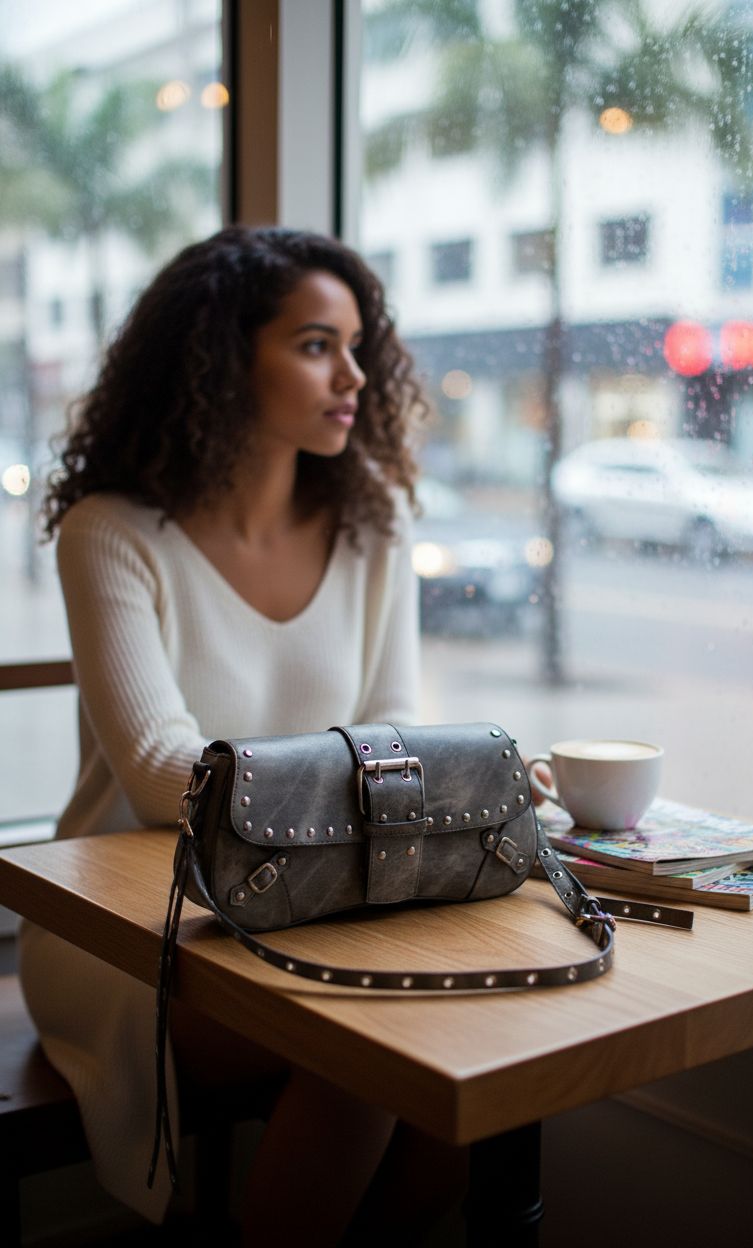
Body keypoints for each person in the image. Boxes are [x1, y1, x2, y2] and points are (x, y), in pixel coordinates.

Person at [18, 225, 463, 1245]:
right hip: (129, 928)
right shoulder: (113, 532)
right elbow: (158, 779)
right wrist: (394, 785)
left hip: (313, 915)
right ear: (221, 359)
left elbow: (394, 726)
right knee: (365, 1063)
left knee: (449, 1093)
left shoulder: (377, 521)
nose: (353, 374)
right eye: (315, 344)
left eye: (358, 346)